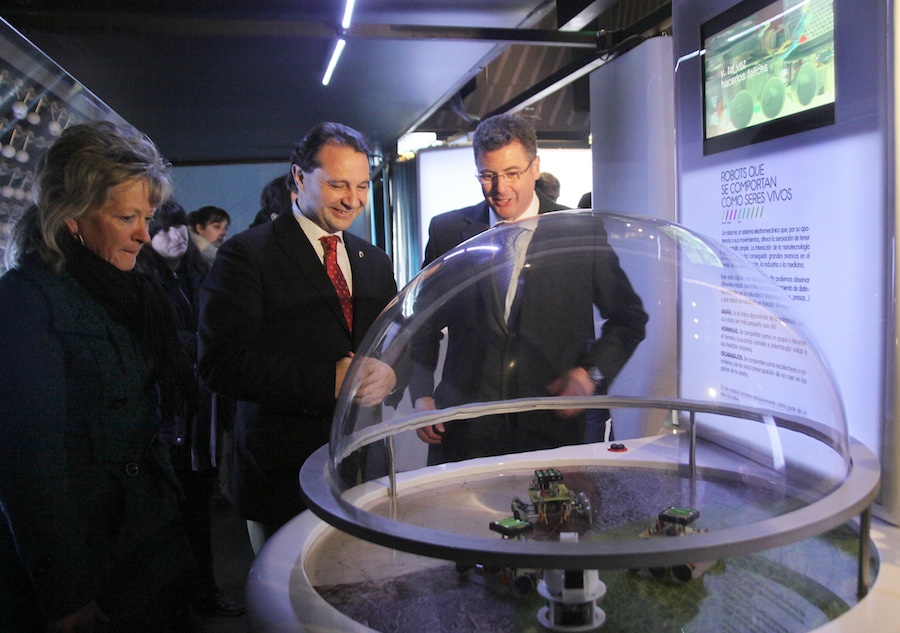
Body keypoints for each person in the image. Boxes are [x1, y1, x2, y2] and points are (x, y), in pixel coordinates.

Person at [0, 121, 197, 632]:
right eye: (126, 217)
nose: (144, 234)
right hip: (91, 556)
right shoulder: (26, 301)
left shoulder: (127, 288)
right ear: (70, 216)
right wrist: (66, 596)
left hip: (147, 541)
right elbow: (29, 466)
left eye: (146, 218)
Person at [199, 121, 399, 553]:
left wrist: (390, 372)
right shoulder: (247, 255)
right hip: (283, 474)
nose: (352, 199)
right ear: (299, 177)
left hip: (364, 468)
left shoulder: (374, 261)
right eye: (338, 184)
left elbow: (391, 343)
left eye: (362, 186)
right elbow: (220, 364)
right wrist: (326, 380)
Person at [409, 113, 648, 464]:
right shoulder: (447, 231)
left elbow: (629, 318)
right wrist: (421, 395)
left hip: (550, 433)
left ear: (535, 167)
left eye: (512, 173)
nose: (500, 189)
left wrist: (591, 374)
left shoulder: (580, 232)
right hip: (462, 432)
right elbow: (422, 321)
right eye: (487, 175)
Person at [135, 201, 245, 618]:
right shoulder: (143, 280)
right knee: (173, 514)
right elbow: (157, 341)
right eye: (163, 229)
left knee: (198, 509)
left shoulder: (200, 272)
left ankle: (204, 591)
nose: (175, 235)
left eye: (178, 225)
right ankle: (182, 600)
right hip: (170, 414)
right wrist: (202, 344)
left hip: (204, 409)